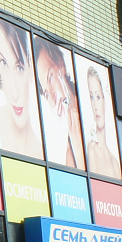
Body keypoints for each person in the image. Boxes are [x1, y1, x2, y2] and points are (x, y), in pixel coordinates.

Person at [0, 17, 44, 159]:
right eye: (4, 63)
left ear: (30, 65)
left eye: (19, 68)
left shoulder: (42, 154)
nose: (14, 94)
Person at [36, 41, 83, 169]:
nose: (52, 97)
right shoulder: (69, 150)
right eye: (46, 93)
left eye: (50, 78)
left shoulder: (89, 115)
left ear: (62, 66)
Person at [81, 62, 122, 179]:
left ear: (104, 100)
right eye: (91, 97)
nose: (95, 106)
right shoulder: (92, 149)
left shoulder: (115, 162)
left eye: (98, 97)